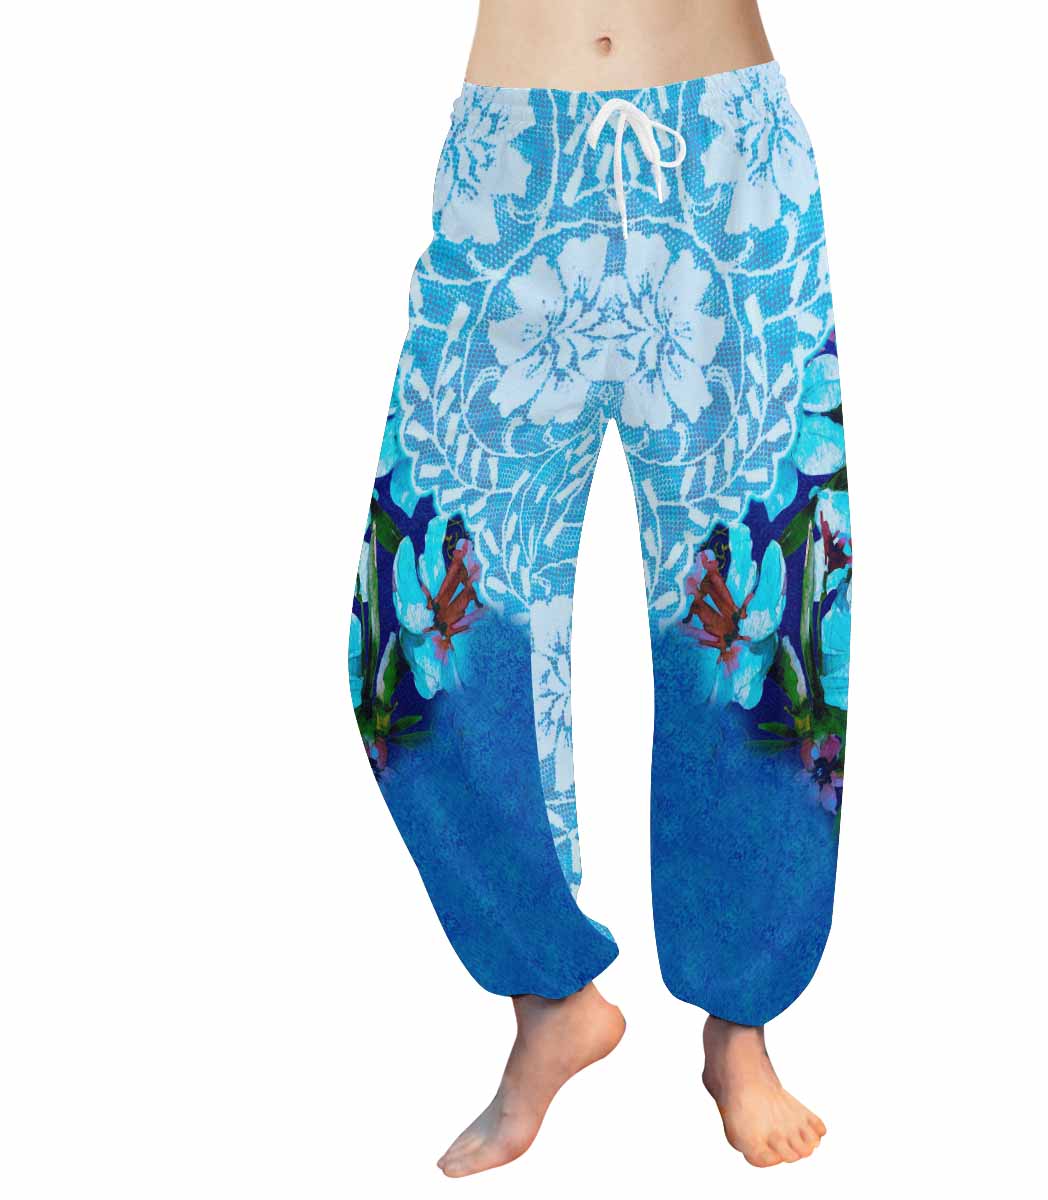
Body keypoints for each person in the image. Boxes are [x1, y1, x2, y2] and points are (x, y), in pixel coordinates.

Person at [348, 0, 851, 1175]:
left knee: (757, 616)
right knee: (415, 646)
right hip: (511, 163)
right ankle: (552, 999)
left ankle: (740, 1028)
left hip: (730, 163)